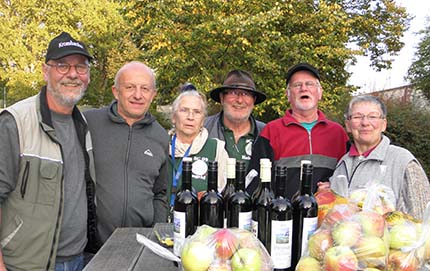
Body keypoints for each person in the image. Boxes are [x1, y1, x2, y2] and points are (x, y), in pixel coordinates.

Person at [0, 31, 97, 271]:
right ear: (46, 71)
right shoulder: (15, 122)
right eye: (62, 65)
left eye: (81, 67)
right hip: (26, 264)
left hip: (78, 259)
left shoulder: (82, 124)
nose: (73, 74)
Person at [84, 61, 169, 244]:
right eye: (130, 87)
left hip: (139, 246)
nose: (138, 95)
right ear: (116, 92)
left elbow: (160, 193)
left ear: (153, 95)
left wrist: (155, 234)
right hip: (90, 248)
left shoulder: (160, 136)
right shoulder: (88, 123)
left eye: (145, 89)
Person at [246, 63, 349, 199]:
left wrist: (334, 185)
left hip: (328, 216)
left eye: (310, 84)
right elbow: (256, 184)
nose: (303, 88)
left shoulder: (338, 133)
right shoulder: (271, 131)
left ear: (320, 93)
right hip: (283, 217)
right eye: (297, 85)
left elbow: (350, 178)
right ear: (288, 95)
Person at [327, 95, 430, 219]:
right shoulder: (342, 163)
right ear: (348, 125)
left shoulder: (402, 160)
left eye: (373, 117)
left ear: (383, 124)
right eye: (357, 117)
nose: (365, 123)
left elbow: (424, 217)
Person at [168, 90, 229, 219]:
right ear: (174, 116)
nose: (190, 117)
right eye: (184, 110)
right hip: (161, 225)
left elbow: (225, 194)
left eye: (197, 112)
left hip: (201, 228)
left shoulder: (216, 149)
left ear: (202, 120)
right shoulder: (161, 146)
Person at [205, 70, 267, 167]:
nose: (239, 100)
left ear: (253, 101)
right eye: (233, 93)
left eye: (246, 94)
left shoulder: (267, 134)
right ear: (222, 98)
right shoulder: (202, 129)